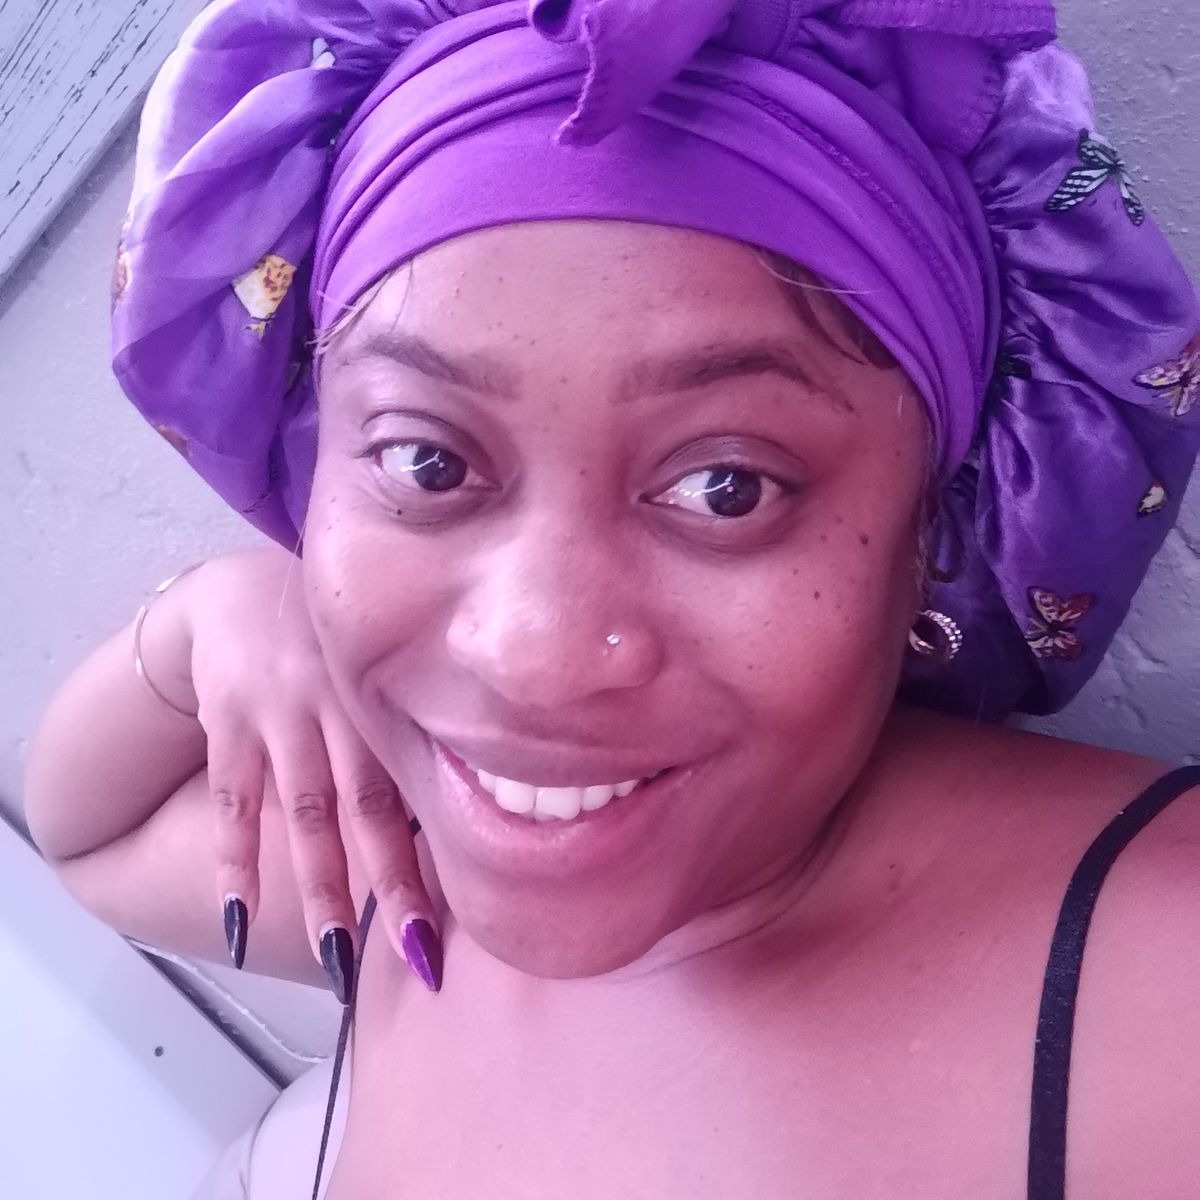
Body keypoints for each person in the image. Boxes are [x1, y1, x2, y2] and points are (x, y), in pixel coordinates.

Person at [22, 0, 1200, 1196]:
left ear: (932, 529)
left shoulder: (1163, 982)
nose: (530, 658)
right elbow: (90, 841)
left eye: (727, 486)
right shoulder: (420, 853)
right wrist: (222, 614)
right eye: (425, 461)